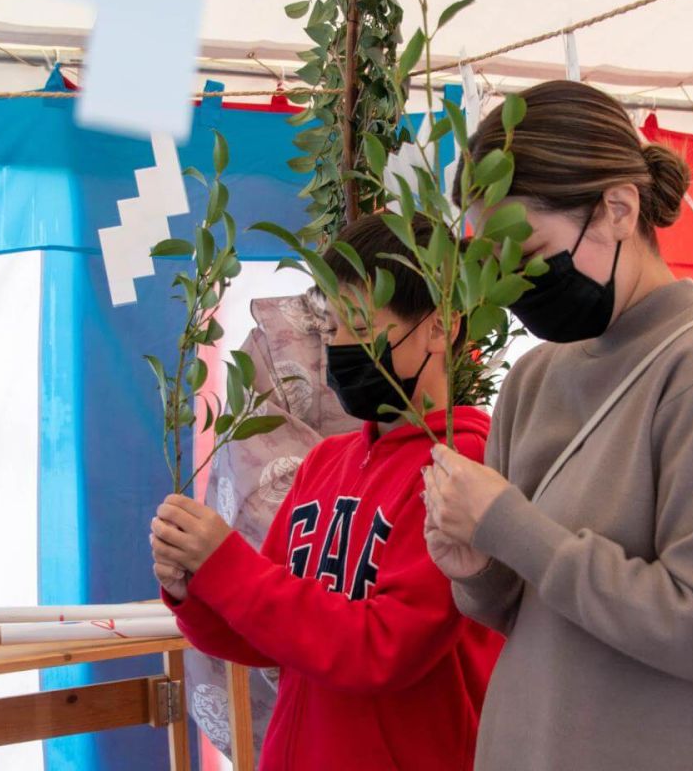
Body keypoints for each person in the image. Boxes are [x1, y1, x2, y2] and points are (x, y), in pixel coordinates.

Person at [422, 80, 693, 770]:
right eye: (495, 262)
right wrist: (479, 566)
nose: (513, 284)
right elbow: (527, 610)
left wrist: (513, 525)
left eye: (530, 251)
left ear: (618, 210)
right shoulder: (536, 377)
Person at [150, 212, 502, 771]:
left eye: (360, 328)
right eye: (333, 328)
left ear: (441, 326)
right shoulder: (325, 464)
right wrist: (195, 589)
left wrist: (227, 567)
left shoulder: (463, 470)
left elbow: (383, 649)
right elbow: (271, 636)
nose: (339, 349)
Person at [184, 288, 360, 758]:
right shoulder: (279, 338)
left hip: (379, 610)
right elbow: (261, 486)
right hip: (322, 587)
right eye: (346, 326)